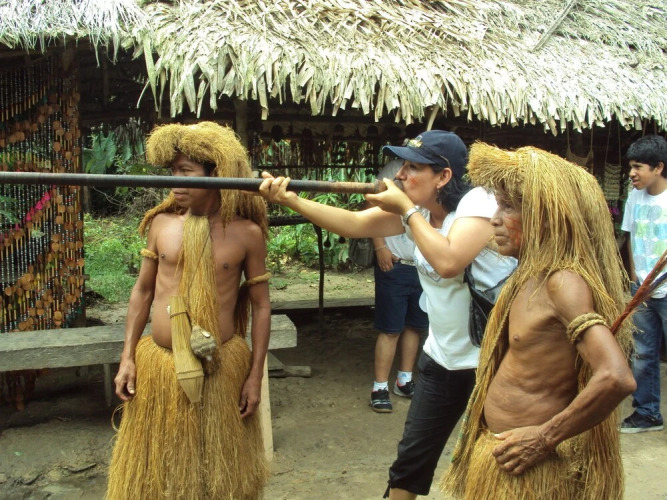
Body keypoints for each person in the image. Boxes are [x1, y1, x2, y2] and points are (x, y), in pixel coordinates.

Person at [257, 130, 516, 499]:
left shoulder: (478, 201)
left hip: (492, 361)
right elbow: (354, 224)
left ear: (443, 177)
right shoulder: (421, 211)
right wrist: (291, 200)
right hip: (442, 357)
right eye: (402, 166)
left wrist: (406, 210)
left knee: (498, 457)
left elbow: (448, 261)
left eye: (413, 168)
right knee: (410, 461)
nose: (401, 175)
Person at [441, 143, 636, 499]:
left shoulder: (562, 283)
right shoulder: (529, 275)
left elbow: (616, 377)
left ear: (545, 216)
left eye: (508, 206)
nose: (494, 219)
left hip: (531, 468)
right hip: (503, 458)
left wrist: (544, 438)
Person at [106, 122, 271, 499]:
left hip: (220, 367)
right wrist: (127, 357)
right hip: (160, 365)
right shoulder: (161, 224)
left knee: (217, 474)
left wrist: (254, 377)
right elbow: (142, 292)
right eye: (172, 171)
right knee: (157, 473)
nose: (175, 181)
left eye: (186, 171)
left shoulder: (246, 233)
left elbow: (262, 307)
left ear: (216, 175)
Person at [370, 159, 429, 413]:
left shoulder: (432, 175)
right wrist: (379, 246)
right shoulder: (394, 171)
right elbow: (371, 205)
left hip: (422, 266)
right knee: (391, 329)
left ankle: (404, 380)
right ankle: (379, 386)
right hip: (394, 265)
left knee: (415, 326)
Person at [620, 134, 667, 433]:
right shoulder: (634, 197)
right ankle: (648, 414)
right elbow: (631, 238)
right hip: (642, 291)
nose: (632, 173)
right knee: (643, 353)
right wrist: (635, 278)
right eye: (630, 166)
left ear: (658, 168)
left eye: (638, 167)